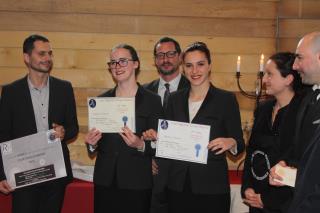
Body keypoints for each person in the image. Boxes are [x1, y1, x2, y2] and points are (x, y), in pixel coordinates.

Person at [147, 41, 245, 213]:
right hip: (177, 186)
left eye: (200, 64)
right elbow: (169, 141)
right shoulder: (174, 99)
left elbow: (238, 142)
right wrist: (156, 139)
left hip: (211, 187)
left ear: (209, 66)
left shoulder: (225, 100)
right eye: (189, 65)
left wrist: (232, 142)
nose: (195, 71)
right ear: (183, 68)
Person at [0, 34, 79, 213]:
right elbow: (3, 134)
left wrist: (64, 132)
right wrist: (2, 174)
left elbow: (73, 127)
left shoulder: (64, 88)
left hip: (55, 172)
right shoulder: (11, 92)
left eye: (50, 53)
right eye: (41, 54)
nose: (48, 58)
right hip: (22, 173)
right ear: (27, 58)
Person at [84, 43, 163, 213]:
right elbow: (94, 148)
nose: (117, 66)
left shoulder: (153, 101)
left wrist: (140, 144)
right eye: (113, 62)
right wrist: (91, 143)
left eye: (122, 61)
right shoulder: (101, 101)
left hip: (137, 182)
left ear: (136, 64)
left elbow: (160, 144)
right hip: (105, 181)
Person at [241, 52, 303, 213]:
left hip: (285, 204)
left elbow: (298, 162)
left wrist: (268, 200)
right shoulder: (263, 109)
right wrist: (247, 187)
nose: (264, 79)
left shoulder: (302, 113)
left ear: (288, 79)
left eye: (270, 74)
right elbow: (252, 151)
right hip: (255, 198)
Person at [269, 32, 320, 213]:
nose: (295, 65)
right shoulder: (308, 98)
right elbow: (302, 149)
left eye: (299, 57)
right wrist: (285, 166)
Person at [144, 37, 190, 213]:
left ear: (179, 57)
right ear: (155, 60)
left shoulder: (194, 88)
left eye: (171, 54)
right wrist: (146, 158)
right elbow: (139, 130)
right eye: (160, 55)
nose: (165, 59)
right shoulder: (144, 91)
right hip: (152, 177)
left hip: (184, 176)